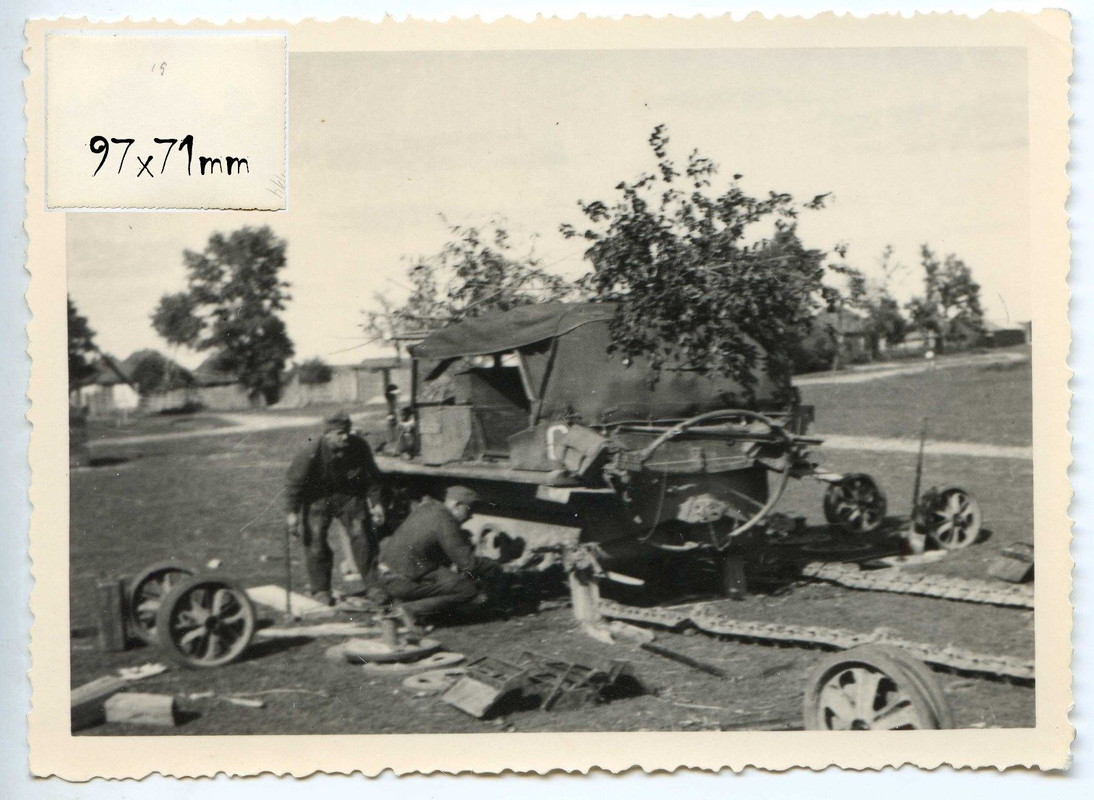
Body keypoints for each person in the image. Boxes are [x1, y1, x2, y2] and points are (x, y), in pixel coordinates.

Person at [284, 410, 386, 605]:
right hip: (317, 498)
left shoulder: (358, 446)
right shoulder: (310, 450)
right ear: (327, 434)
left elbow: (372, 476)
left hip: (348, 496)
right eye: (340, 433)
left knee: (362, 536)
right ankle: (321, 589)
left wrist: (377, 503)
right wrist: (292, 513)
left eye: (347, 431)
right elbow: (294, 482)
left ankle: (373, 586)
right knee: (315, 541)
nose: (345, 436)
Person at [377, 485, 500, 629]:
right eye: (469, 509)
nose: (471, 515)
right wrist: (494, 566)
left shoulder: (429, 507)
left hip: (386, 575)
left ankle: (402, 603)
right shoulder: (446, 520)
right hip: (400, 581)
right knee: (467, 590)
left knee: (449, 579)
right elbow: (468, 564)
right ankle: (411, 610)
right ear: (457, 505)